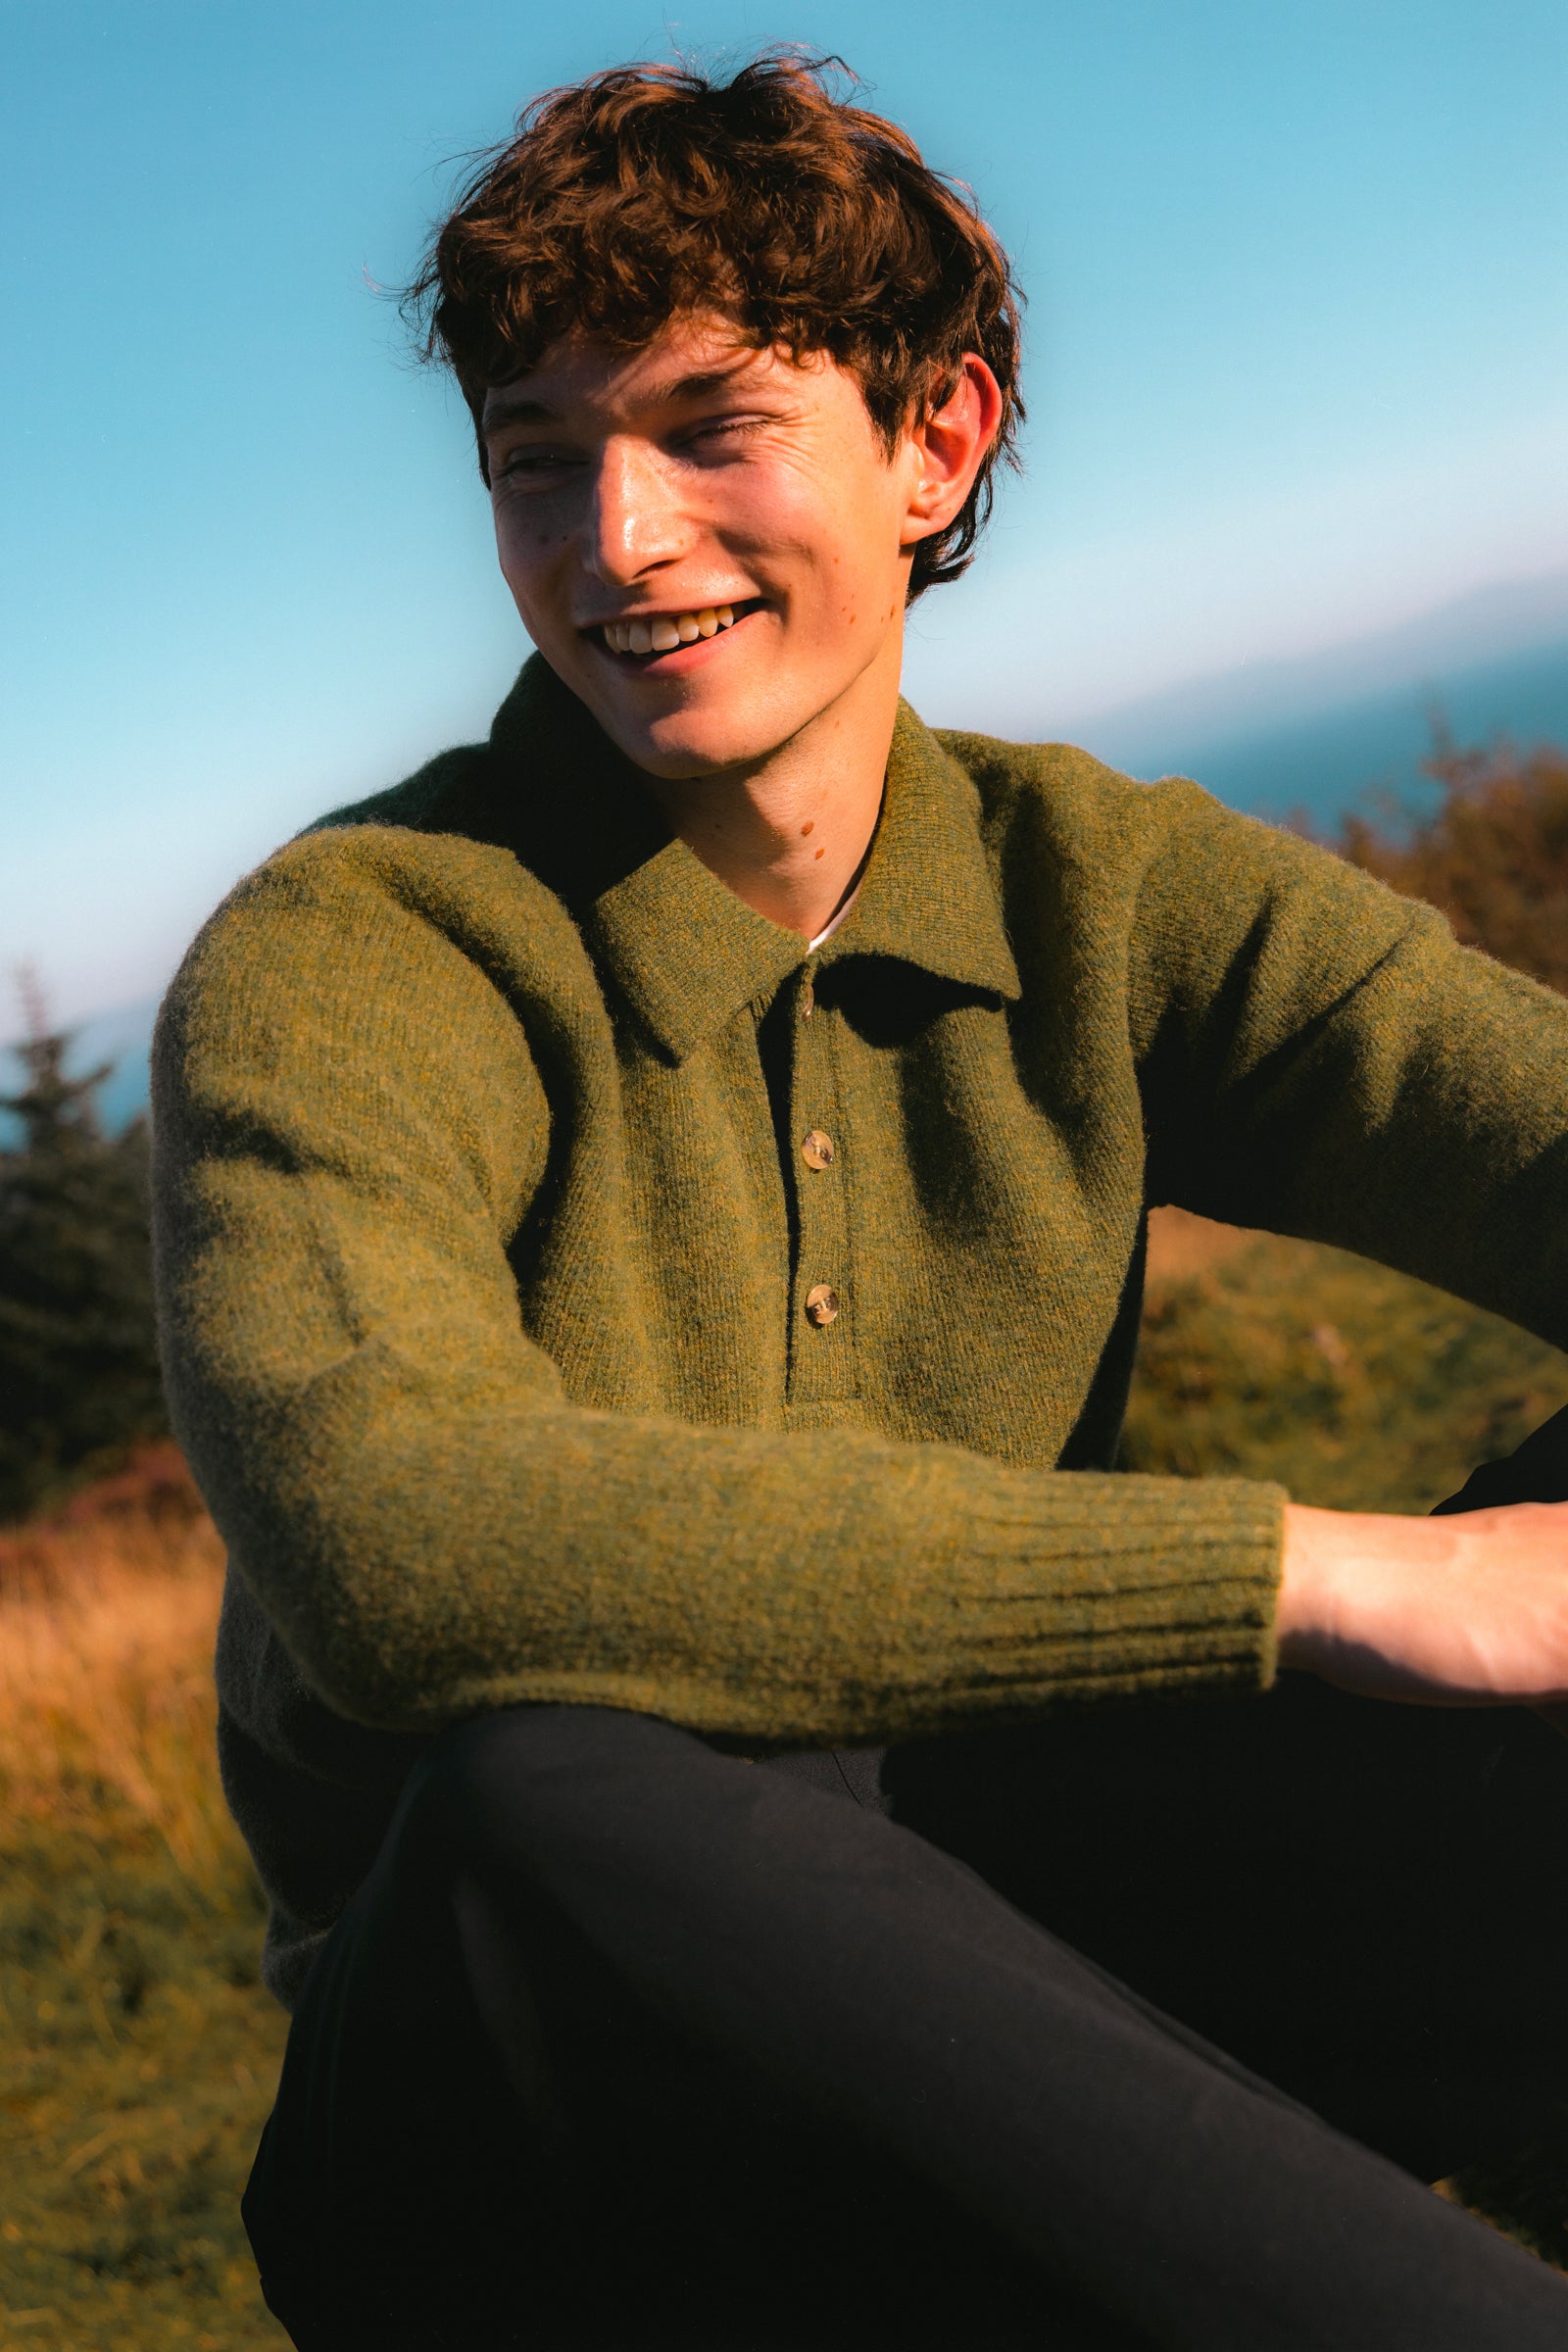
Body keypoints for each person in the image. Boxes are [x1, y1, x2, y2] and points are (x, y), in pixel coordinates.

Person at [149, 53, 1568, 2351]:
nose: (610, 539)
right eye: (536, 457)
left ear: (935, 444)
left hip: (1022, 1929)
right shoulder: (359, 953)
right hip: (541, 2108)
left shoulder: (1094, 887)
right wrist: (1339, 1577)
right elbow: (397, 1547)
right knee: (554, 1782)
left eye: (708, 425)